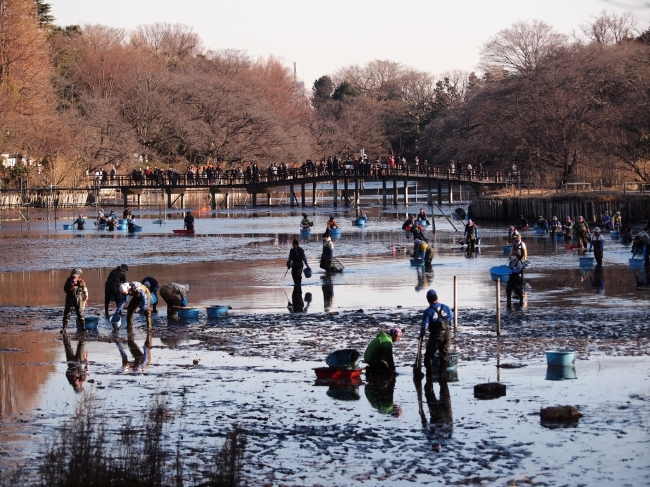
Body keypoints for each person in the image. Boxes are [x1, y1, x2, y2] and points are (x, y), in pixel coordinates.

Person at [419, 289, 453, 377]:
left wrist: (421, 334)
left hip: (435, 336)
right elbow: (451, 321)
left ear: (428, 299)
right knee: (444, 355)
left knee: (429, 356)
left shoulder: (428, 311)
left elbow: (425, 325)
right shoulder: (446, 307)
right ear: (437, 297)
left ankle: (429, 375)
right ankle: (441, 373)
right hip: (447, 335)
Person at [62, 268, 88, 333]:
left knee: (80, 313)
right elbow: (65, 289)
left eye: (75, 276)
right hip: (69, 298)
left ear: (78, 276)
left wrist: (86, 297)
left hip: (78, 298)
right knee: (67, 313)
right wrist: (71, 286)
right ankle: (64, 328)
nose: (74, 278)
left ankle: (83, 328)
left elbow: (85, 290)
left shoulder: (81, 282)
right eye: (73, 276)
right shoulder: (68, 281)